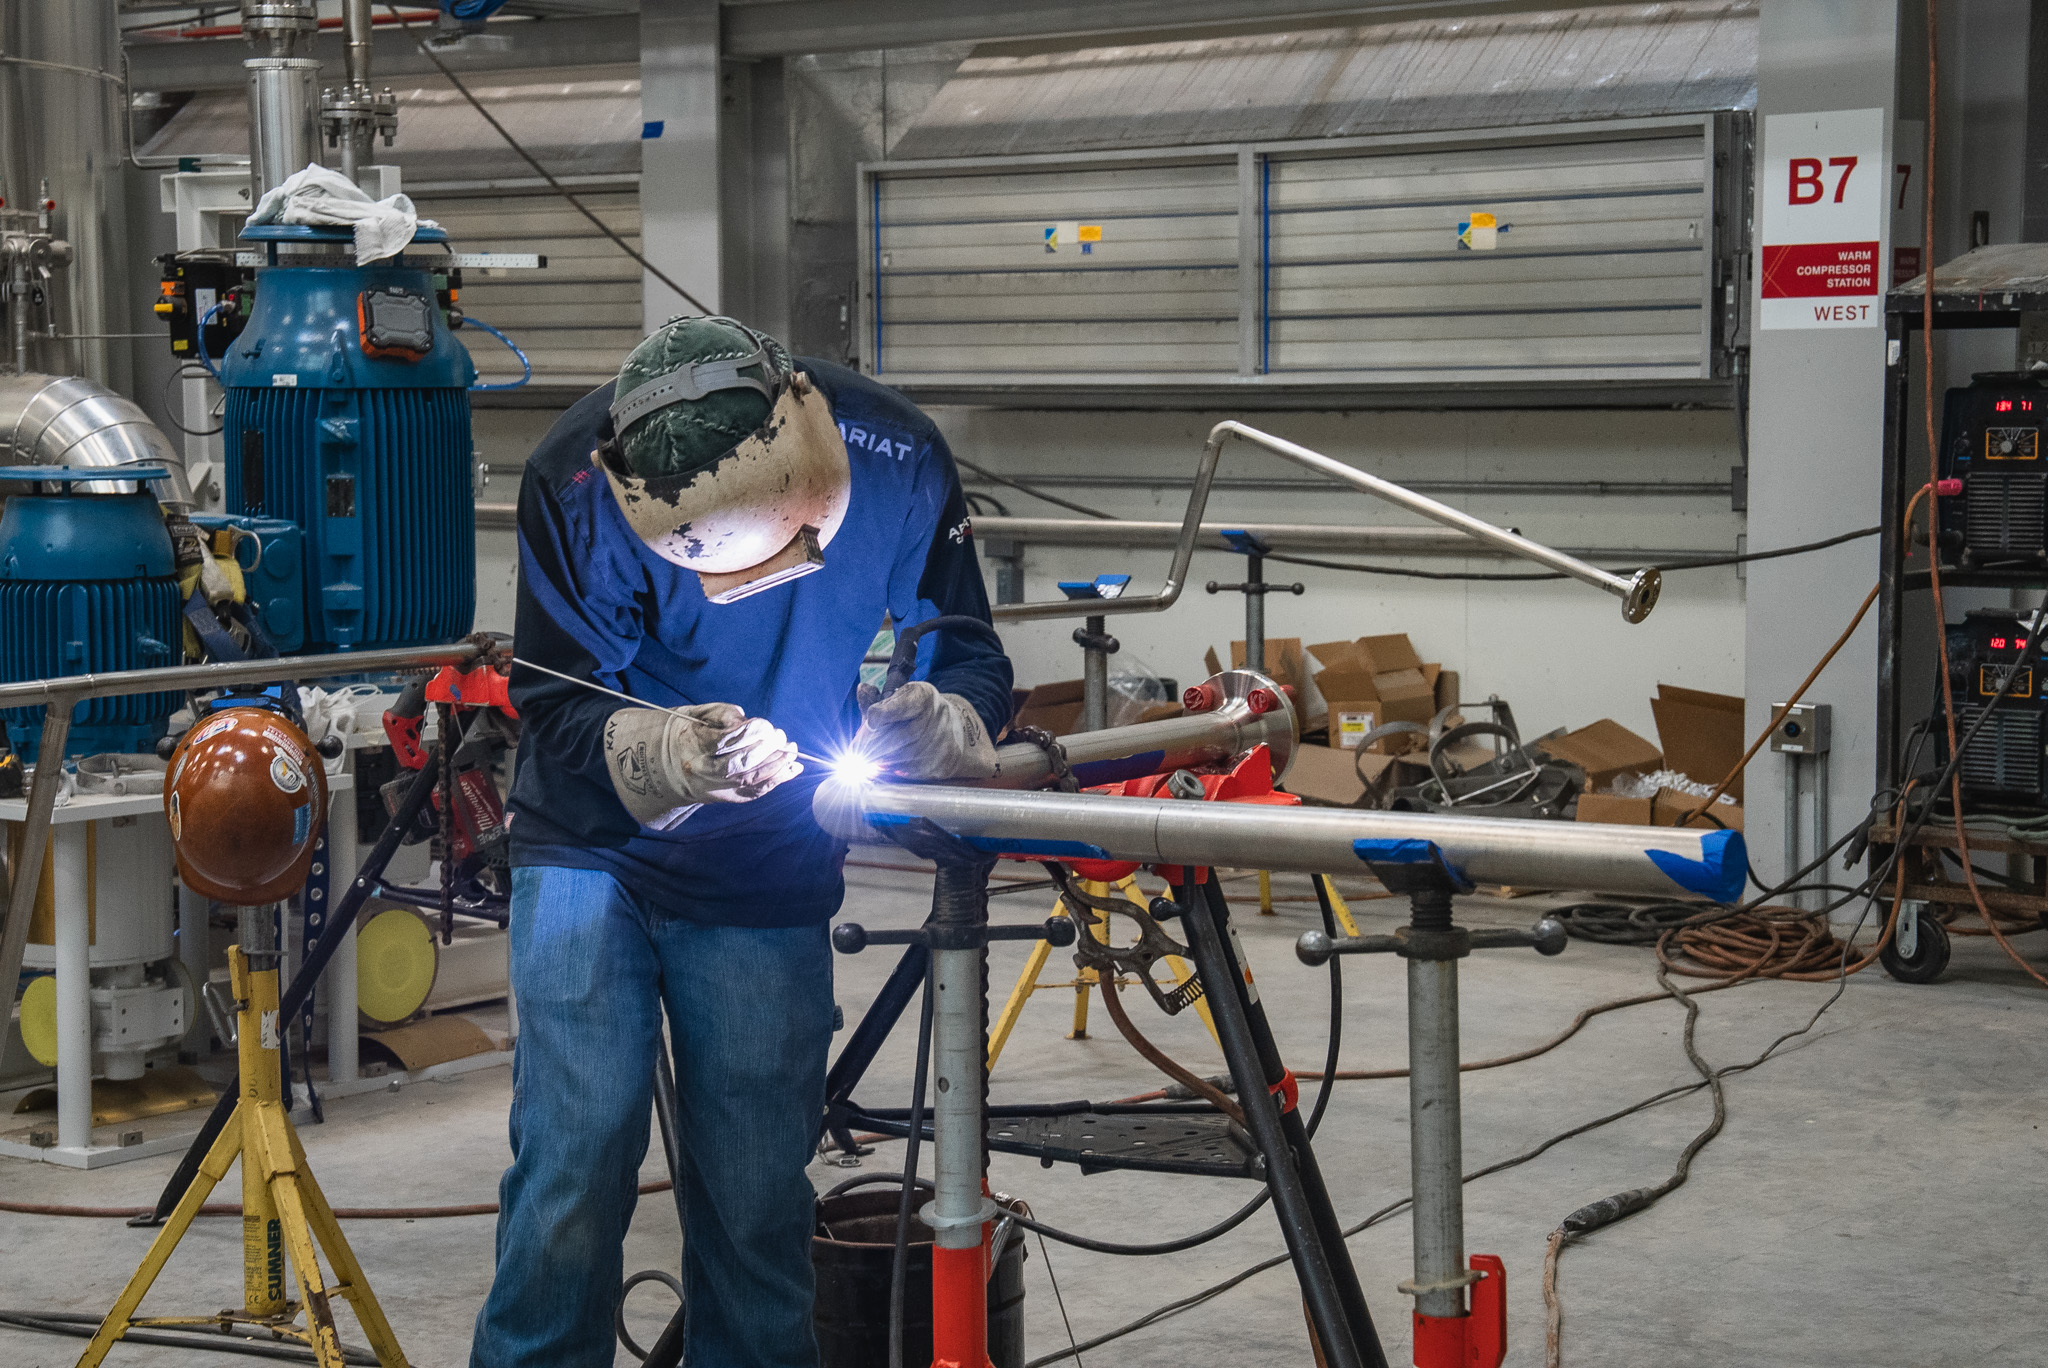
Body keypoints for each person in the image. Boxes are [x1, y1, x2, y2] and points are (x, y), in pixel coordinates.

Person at [471, 315, 1014, 1368]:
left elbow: (960, 641)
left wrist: (947, 711)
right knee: (571, 1171)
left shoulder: (896, 455)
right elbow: (556, 701)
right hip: (594, 848)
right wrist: (668, 750)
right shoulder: (575, 481)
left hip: (767, 860)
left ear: (806, 429)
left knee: (759, 1196)